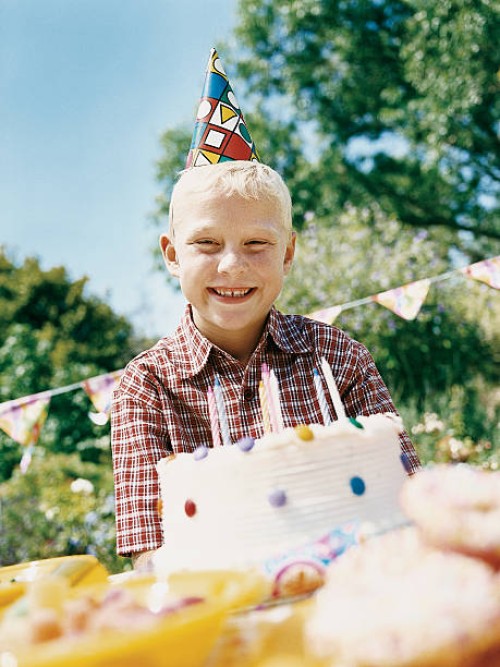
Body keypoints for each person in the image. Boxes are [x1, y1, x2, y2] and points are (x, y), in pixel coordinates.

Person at [111, 159, 421, 572]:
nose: (232, 265)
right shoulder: (146, 386)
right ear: (172, 254)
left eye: (256, 243)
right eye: (206, 243)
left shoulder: (337, 354)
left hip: (361, 590)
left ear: (287, 253)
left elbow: (409, 491)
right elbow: (148, 551)